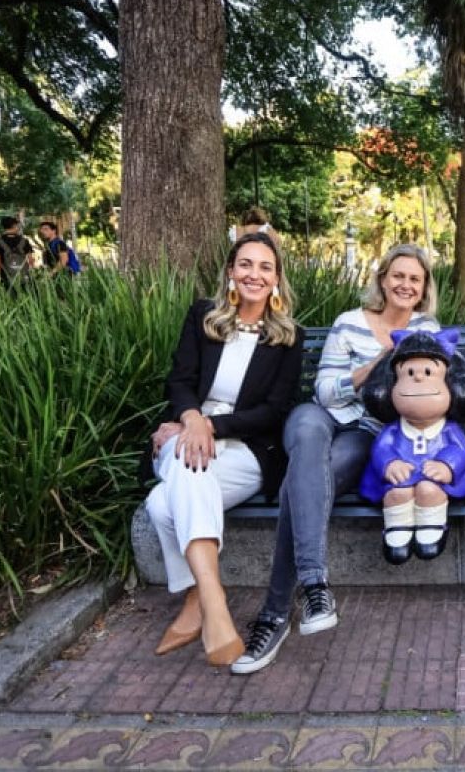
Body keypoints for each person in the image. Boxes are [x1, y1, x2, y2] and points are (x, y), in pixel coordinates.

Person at [232, 244, 438, 674]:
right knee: (307, 432)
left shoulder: (427, 330)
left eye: (414, 279)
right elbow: (324, 392)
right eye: (397, 275)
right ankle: (313, 586)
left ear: (423, 289)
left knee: (300, 485)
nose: (405, 285)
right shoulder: (350, 323)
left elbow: (427, 399)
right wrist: (378, 364)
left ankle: (275, 614)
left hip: (368, 435)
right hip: (319, 419)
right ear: (383, 279)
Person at [144, 233, 303, 667]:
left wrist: (209, 426)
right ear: (231, 272)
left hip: (247, 451)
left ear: (276, 280)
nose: (255, 274)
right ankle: (214, 602)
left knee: (163, 504)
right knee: (190, 466)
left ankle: (200, 598)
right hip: (188, 434)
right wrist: (191, 420)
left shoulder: (288, 338)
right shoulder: (203, 317)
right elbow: (179, 381)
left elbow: (274, 411)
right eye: (246, 264)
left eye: (265, 267)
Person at [360, 329, 465, 564]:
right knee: (397, 493)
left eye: (428, 372)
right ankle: (397, 530)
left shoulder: (448, 429)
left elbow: (459, 449)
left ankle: (432, 527)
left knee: (429, 490)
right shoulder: (393, 430)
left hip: (434, 479)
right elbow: (381, 448)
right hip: (400, 477)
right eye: (409, 373)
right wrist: (389, 463)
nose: (418, 379)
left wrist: (447, 465)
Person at [0, 216, 35, 287]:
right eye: (17, 226)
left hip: (7, 277)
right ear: (14, 225)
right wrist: (32, 272)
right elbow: (31, 260)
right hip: (24, 276)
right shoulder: (24, 240)